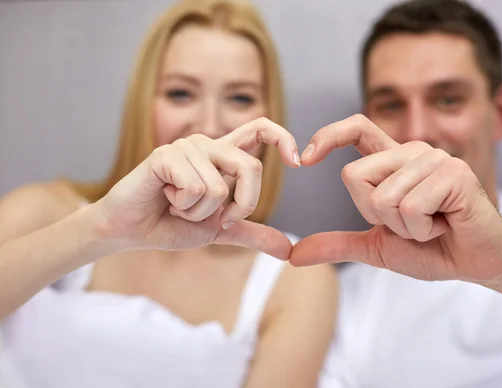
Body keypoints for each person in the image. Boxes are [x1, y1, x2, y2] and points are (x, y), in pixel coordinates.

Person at [0, 1, 337, 387]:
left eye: (240, 98)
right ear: (144, 104)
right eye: (180, 93)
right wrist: (103, 230)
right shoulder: (43, 211)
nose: (209, 125)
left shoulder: (295, 279)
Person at [292, 1, 502, 387]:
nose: (418, 131)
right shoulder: (346, 300)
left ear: (501, 113)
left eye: (448, 99)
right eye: (391, 105)